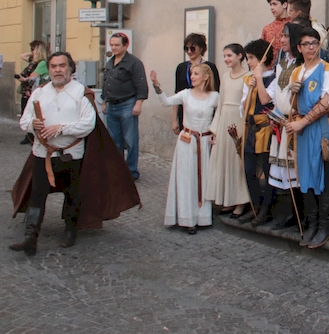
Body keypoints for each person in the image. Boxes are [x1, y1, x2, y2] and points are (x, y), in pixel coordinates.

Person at [11, 52, 140, 254]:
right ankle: (30, 237)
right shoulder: (40, 92)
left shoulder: (81, 93)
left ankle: (70, 230)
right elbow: (24, 121)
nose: (57, 70)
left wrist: (61, 128)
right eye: (53, 66)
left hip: (72, 154)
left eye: (62, 66)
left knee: (73, 194)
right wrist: (32, 125)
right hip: (42, 153)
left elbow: (87, 124)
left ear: (71, 68)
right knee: (37, 193)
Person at [284, 27, 329, 248]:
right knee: (305, 176)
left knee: (323, 176)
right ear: (299, 48)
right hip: (303, 131)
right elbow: (294, 106)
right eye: (306, 44)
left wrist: (302, 122)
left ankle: (326, 226)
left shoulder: (327, 70)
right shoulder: (297, 72)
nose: (311, 47)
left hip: (321, 128)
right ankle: (313, 224)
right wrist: (294, 93)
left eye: (314, 43)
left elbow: (326, 103)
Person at [151, 64, 218, 234]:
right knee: (186, 179)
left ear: (205, 77)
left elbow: (221, 116)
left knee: (202, 179)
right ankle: (186, 218)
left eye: (196, 74)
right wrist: (157, 86)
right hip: (187, 141)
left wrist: (215, 134)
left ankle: (202, 217)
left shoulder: (215, 97)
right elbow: (166, 102)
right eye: (191, 74)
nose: (192, 76)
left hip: (204, 141)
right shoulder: (185, 94)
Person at [265, 23, 304, 232]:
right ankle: (292, 213)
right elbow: (277, 92)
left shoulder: (301, 64)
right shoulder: (281, 62)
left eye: (286, 37)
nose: (281, 41)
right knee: (286, 172)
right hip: (281, 119)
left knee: (295, 171)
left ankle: (301, 215)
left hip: (295, 121)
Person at [206, 43, 251, 217]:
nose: (226, 59)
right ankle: (227, 199)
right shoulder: (225, 77)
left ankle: (241, 202)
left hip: (238, 121)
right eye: (224, 56)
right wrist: (215, 128)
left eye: (229, 55)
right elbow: (220, 102)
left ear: (240, 56)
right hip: (225, 118)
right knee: (223, 161)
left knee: (236, 161)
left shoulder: (248, 76)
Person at [236, 39, 276, 224]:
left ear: (262, 59)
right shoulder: (248, 79)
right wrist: (251, 86)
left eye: (251, 58)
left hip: (267, 129)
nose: (248, 62)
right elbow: (243, 108)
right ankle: (255, 206)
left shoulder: (274, 78)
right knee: (249, 170)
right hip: (251, 128)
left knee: (267, 173)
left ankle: (266, 210)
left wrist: (259, 79)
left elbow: (266, 99)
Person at [102, 32, 148, 181]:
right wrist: (104, 101)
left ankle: (131, 171)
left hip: (127, 105)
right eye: (112, 45)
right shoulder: (110, 62)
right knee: (114, 141)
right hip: (112, 106)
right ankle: (117, 169)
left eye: (117, 45)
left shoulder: (134, 63)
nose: (113, 47)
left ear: (125, 45)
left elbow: (141, 84)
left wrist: (138, 103)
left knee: (130, 141)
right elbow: (106, 82)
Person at [173, 33, 220, 133]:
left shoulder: (210, 67)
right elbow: (176, 94)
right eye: (186, 48)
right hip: (186, 113)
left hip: (206, 113)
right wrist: (174, 120)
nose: (189, 51)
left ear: (201, 49)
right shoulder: (181, 67)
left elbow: (216, 92)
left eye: (192, 48)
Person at [16, 40, 48, 145]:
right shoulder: (33, 61)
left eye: (33, 49)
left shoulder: (42, 63)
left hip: (32, 90)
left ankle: (32, 137)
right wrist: (33, 53)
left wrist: (24, 79)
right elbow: (22, 56)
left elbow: (33, 76)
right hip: (27, 90)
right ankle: (29, 136)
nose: (32, 51)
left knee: (31, 112)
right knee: (25, 112)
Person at [261, 0, 291, 67]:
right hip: (271, 70)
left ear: (284, 5)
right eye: (270, 5)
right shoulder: (267, 29)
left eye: (274, 4)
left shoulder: (293, 24)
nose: (272, 8)